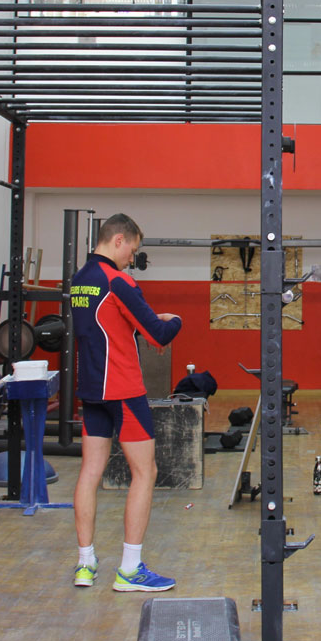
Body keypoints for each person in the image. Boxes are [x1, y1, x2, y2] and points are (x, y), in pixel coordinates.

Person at [67, 213, 182, 592]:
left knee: (89, 474)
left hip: (91, 391)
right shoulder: (118, 281)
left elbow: (110, 326)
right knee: (144, 473)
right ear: (118, 240)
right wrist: (175, 318)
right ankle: (130, 570)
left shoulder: (80, 280)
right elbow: (160, 334)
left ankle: (85, 564)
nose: (132, 258)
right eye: (132, 250)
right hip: (123, 390)